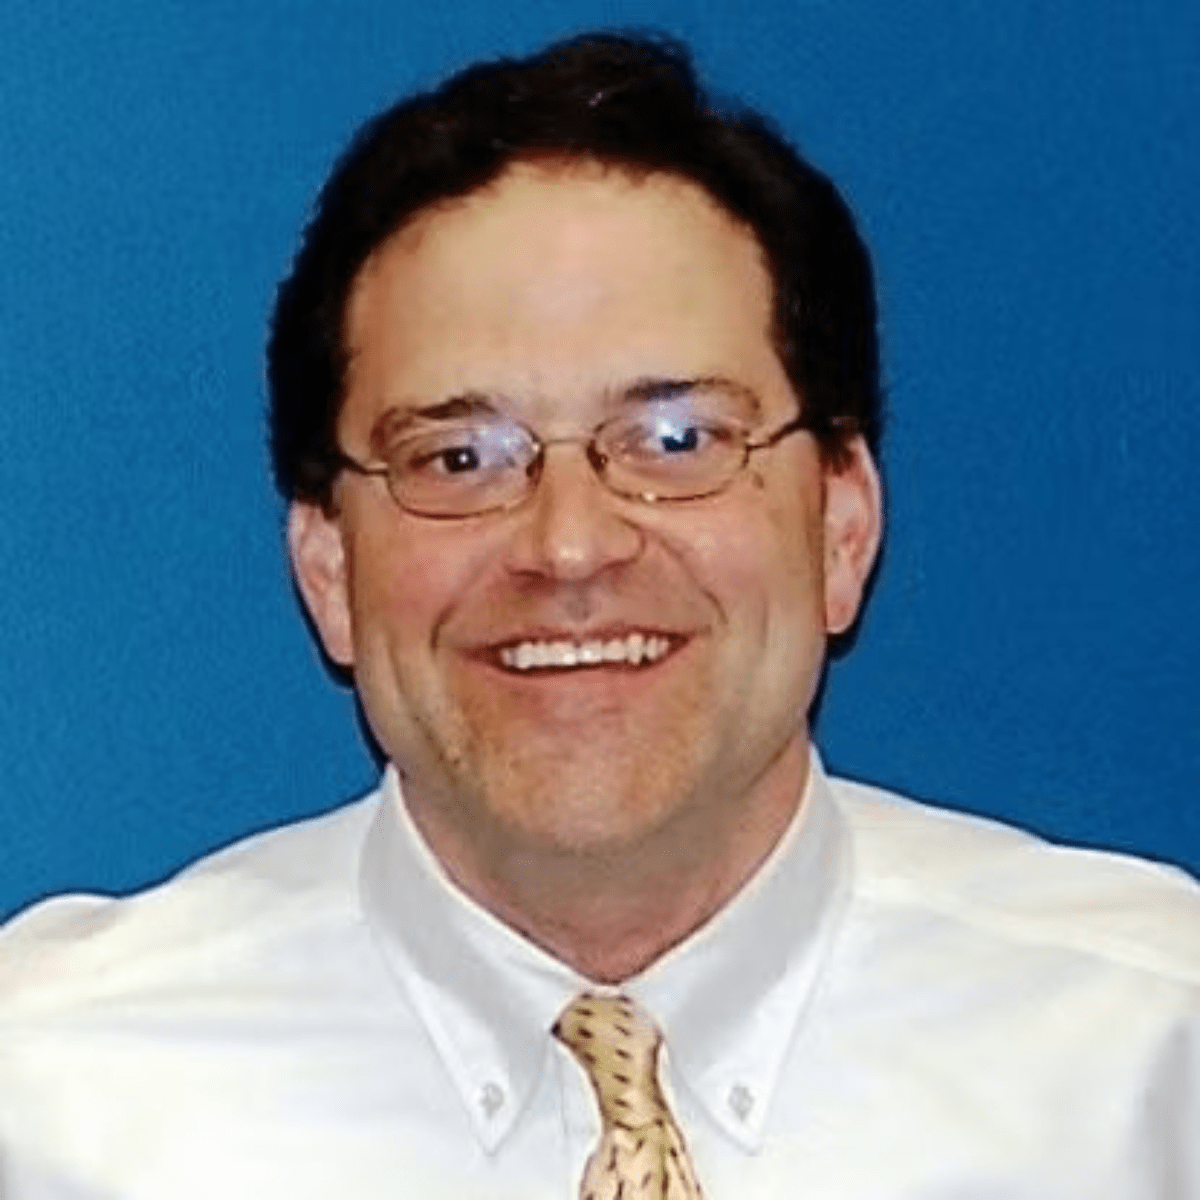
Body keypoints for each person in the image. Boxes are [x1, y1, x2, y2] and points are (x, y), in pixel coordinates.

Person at [0, 30, 1196, 1200]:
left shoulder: (1152, 1060)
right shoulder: (50, 1099)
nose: (570, 544)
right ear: (326, 566)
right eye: (459, 457)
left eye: (677, 440)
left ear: (842, 521)